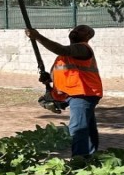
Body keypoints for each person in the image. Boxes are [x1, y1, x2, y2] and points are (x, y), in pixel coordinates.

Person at [26, 25, 103, 157]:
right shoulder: (66, 56)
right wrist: (48, 77)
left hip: (83, 94)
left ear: (88, 35)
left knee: (78, 128)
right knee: (88, 127)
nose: (76, 30)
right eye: (75, 28)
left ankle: (79, 161)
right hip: (70, 94)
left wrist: (37, 36)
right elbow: (61, 72)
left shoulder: (83, 48)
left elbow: (60, 49)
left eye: (81, 29)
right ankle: (90, 156)